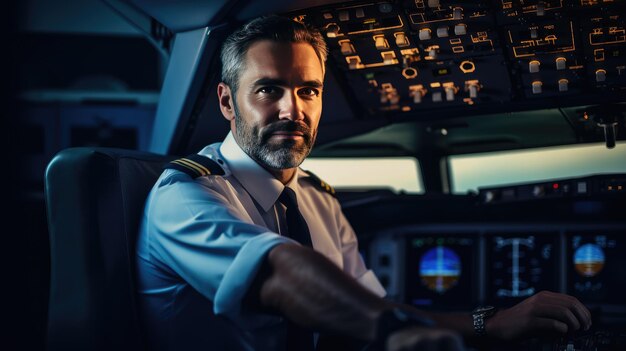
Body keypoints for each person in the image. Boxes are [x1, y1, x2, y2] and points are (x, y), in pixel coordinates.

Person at [135, 15, 592, 351]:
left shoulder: (316, 200)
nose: (292, 110)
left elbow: (374, 306)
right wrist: (395, 334)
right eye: (269, 89)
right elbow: (277, 273)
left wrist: (486, 325)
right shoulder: (187, 196)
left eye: (308, 91)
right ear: (227, 102)